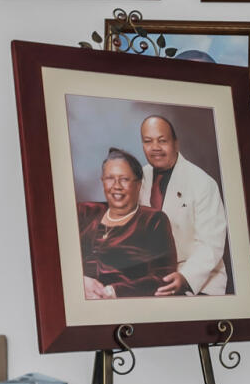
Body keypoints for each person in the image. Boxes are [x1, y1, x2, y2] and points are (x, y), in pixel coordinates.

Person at [137, 114, 229, 296]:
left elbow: (211, 245)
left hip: (197, 280)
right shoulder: (138, 177)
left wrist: (185, 277)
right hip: (152, 278)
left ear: (176, 143)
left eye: (162, 141)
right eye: (148, 141)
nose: (155, 148)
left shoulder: (203, 183)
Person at [77, 150, 182, 298]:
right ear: (102, 181)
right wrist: (79, 282)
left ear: (138, 185)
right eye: (110, 178)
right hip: (76, 300)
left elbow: (164, 278)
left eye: (124, 179)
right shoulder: (84, 212)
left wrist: (113, 291)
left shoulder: (153, 220)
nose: (116, 186)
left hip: (122, 304)